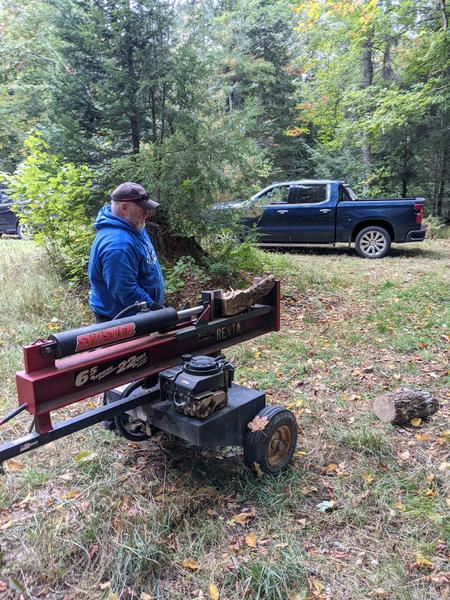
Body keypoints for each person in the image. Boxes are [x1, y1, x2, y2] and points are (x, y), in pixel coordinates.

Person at [88, 182, 164, 323]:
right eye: (142, 208)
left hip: (141, 314)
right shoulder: (118, 245)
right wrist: (156, 310)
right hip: (123, 322)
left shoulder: (134, 225)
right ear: (124, 207)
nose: (146, 213)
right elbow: (126, 291)